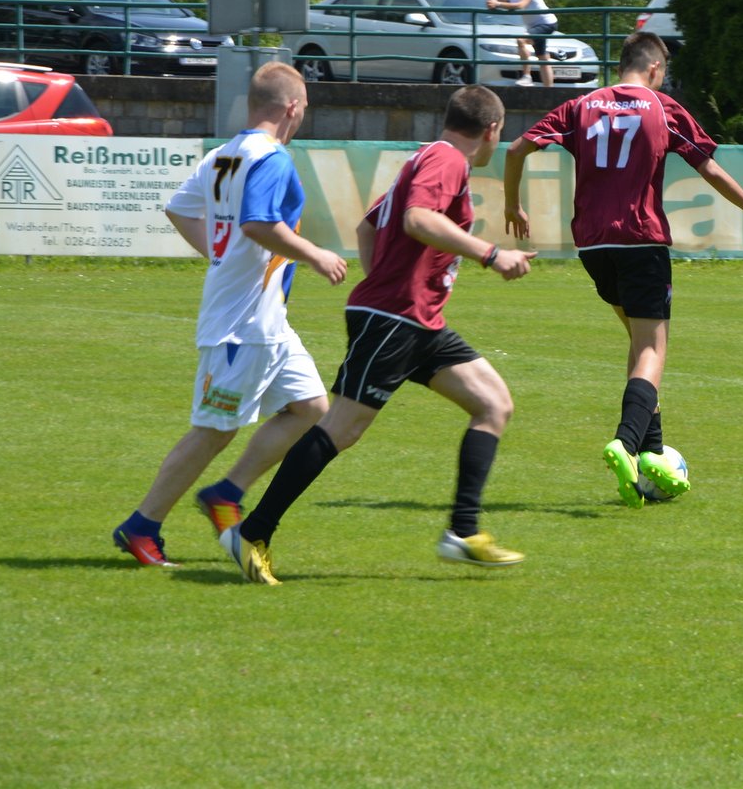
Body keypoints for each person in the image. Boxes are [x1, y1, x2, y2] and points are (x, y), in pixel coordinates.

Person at [220, 85, 535, 584]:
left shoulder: (424, 157)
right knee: (342, 427)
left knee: (493, 404)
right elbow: (417, 219)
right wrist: (490, 254)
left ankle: (463, 532)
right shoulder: (448, 160)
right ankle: (253, 532)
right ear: (492, 130)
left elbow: (369, 227)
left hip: (418, 320)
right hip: (395, 317)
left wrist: (390, 278)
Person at [501, 31, 743, 508]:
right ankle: (626, 444)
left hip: (593, 245)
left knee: (638, 343)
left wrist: (513, 204)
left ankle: (653, 451)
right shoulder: (662, 108)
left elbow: (515, 150)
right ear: (654, 68)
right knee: (652, 348)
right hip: (640, 238)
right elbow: (708, 168)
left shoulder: (580, 106)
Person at [113, 62, 348, 567]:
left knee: (311, 407)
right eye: (304, 107)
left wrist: (218, 255)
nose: (303, 116)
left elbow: (179, 209)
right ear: (292, 107)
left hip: (267, 320)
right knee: (214, 430)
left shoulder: (223, 154)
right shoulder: (273, 157)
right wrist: (315, 254)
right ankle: (141, 527)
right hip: (242, 326)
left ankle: (227, 493)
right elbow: (259, 224)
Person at [486, 0, 558, 87]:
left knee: (521, 40)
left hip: (546, 22)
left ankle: (526, 76)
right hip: (532, 26)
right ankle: (549, 90)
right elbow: (497, 1)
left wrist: (498, 4)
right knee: (543, 58)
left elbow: (521, 4)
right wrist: (491, 3)